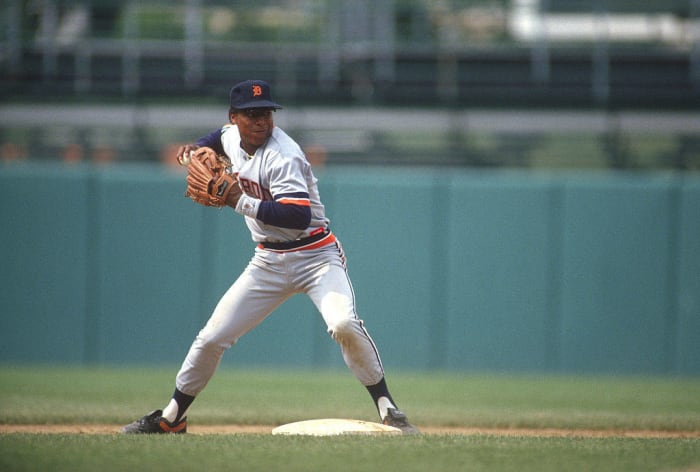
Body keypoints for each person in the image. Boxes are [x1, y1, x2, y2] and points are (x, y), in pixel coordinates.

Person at [121, 79, 418, 435]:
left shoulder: (284, 154)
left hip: (315, 256)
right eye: (252, 114)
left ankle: (388, 407)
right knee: (212, 338)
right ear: (235, 118)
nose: (262, 121)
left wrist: (238, 201)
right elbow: (217, 137)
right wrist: (198, 147)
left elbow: (298, 215)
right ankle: (171, 418)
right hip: (268, 262)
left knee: (343, 324)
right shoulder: (231, 136)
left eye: (267, 113)